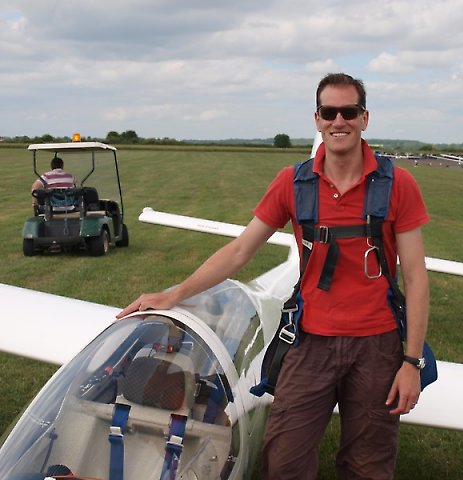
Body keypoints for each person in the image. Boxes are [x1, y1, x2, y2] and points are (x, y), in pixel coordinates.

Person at [117, 72, 430, 479]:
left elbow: (416, 278)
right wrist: (173, 295)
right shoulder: (293, 182)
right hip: (309, 340)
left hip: (377, 346)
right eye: (329, 112)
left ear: (364, 118)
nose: (339, 121)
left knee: (367, 466)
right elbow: (240, 251)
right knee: (283, 461)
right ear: (317, 120)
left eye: (349, 112)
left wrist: (411, 362)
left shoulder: (397, 184)